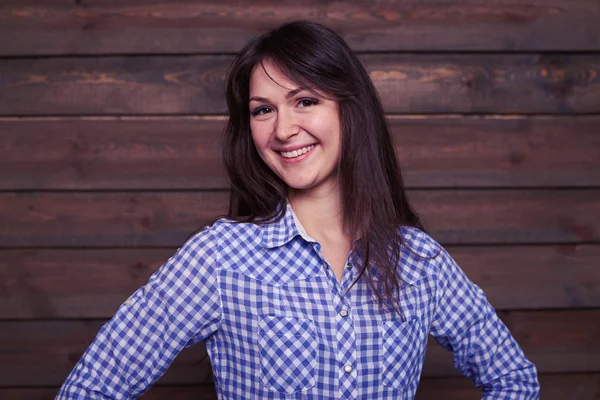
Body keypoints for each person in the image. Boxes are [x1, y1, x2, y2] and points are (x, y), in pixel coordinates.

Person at [56, 20, 540, 399]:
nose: (283, 129)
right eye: (262, 109)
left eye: (304, 100)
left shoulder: (419, 261)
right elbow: (91, 389)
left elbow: (513, 379)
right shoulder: (221, 259)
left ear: (350, 110)